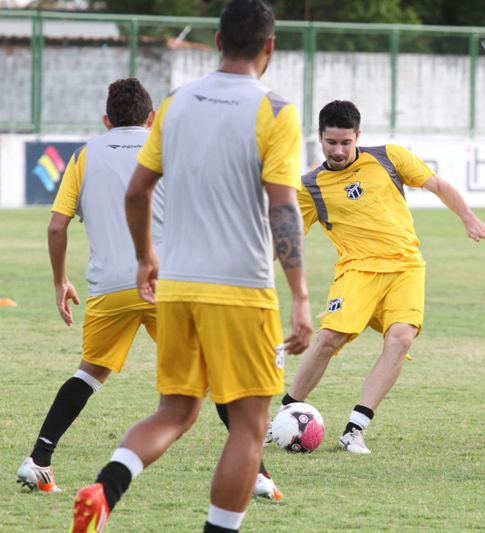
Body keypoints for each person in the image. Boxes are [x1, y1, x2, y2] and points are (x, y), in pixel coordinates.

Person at [69, 1, 312, 532]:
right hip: (242, 289)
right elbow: (283, 207)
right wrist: (300, 293)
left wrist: (145, 258)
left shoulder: (176, 103)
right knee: (249, 427)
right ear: (269, 47)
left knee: (174, 412)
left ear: (218, 41)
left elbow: (137, 192)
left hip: (177, 285)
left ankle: (105, 488)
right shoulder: (275, 110)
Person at [18, 78, 282, 502]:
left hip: (107, 287)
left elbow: (56, 224)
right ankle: (257, 473)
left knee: (90, 371)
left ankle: (38, 460)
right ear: (152, 117)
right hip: (163, 282)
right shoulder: (166, 146)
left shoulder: (85, 154)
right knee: (213, 374)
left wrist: (59, 281)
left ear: (106, 120)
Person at [275, 100, 485, 455]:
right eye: (331, 142)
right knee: (328, 338)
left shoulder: (388, 157)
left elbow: (438, 184)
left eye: (345, 142)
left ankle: (354, 429)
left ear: (358, 137)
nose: (338, 150)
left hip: (406, 268)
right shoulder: (310, 187)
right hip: (358, 270)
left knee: (400, 340)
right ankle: (282, 417)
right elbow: (288, 238)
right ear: (319, 138)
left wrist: (468, 217)